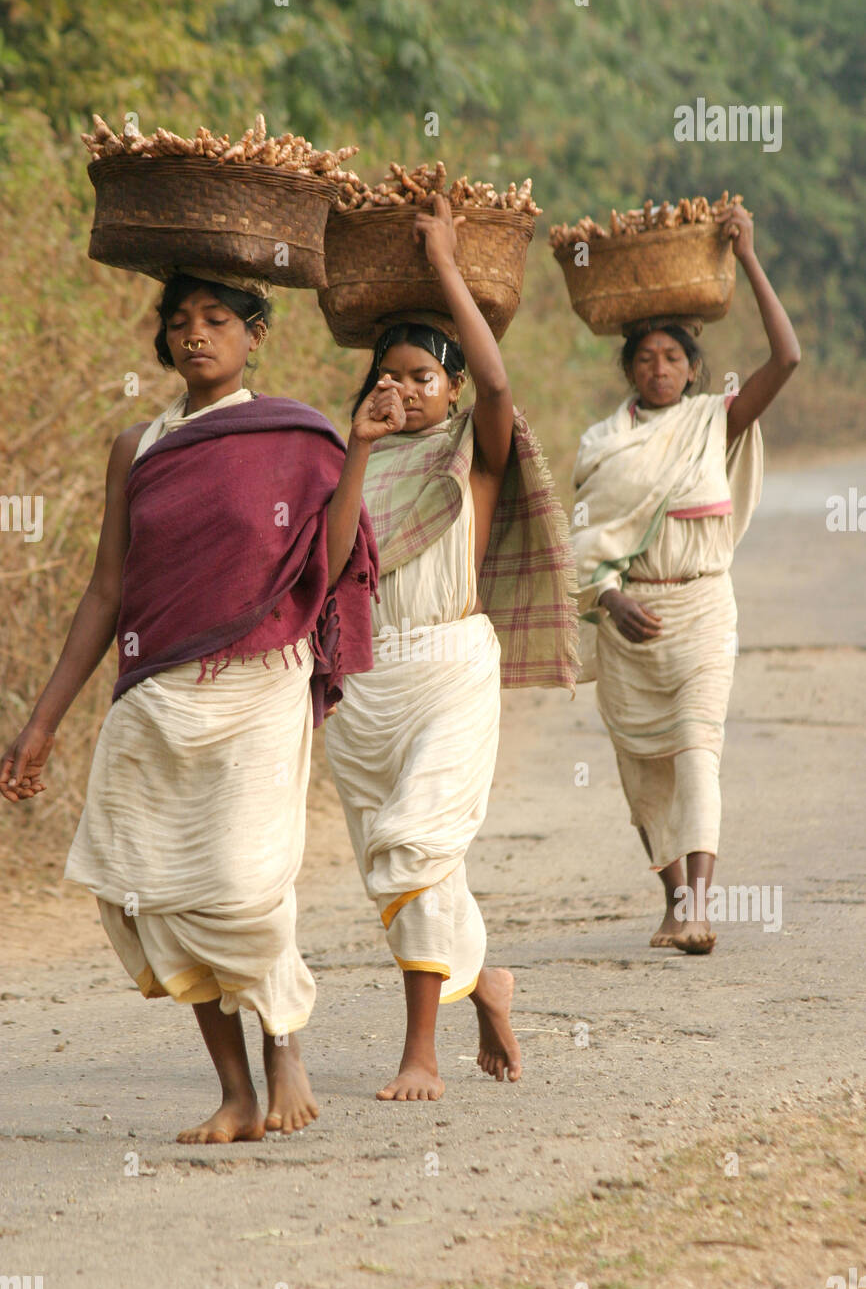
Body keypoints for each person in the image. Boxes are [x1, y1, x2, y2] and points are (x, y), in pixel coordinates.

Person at [0, 268, 396, 1142]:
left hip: (261, 684)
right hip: (156, 692)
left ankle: (284, 1038)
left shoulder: (300, 436)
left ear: (257, 333)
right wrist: (44, 720)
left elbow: (327, 565)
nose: (196, 335)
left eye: (218, 319)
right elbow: (108, 589)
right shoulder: (137, 447)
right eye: (179, 321)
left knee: (244, 887)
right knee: (154, 889)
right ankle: (236, 1093)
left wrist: (360, 447)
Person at [324, 194, 578, 1099]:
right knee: (404, 867)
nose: (400, 389)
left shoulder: (473, 455)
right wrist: (359, 446)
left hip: (450, 668)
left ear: (452, 391)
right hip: (364, 680)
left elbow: (501, 387)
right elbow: (328, 562)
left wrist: (443, 268)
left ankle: (419, 1054)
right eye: (384, 376)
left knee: (413, 841)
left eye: (420, 378)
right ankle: (487, 985)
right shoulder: (345, 457)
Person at [570, 202, 800, 954]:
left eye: (673, 358)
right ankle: (673, 902)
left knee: (699, 750)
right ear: (629, 369)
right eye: (645, 359)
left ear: (695, 369)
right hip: (630, 618)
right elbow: (585, 542)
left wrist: (751, 258)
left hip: (702, 608)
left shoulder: (715, 422)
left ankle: (701, 904)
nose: (659, 369)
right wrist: (608, 598)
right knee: (643, 770)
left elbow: (788, 359)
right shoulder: (602, 444)